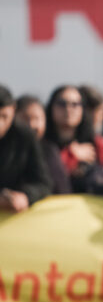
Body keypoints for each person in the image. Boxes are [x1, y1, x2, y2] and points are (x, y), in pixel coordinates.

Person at [43, 85, 103, 192]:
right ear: (51, 107)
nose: (68, 109)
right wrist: (71, 156)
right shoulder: (41, 145)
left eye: (75, 104)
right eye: (62, 104)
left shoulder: (97, 145)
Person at [0, 84, 51, 212]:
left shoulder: (24, 136)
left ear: (13, 110)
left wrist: (25, 196)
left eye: (4, 116)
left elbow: (43, 183)